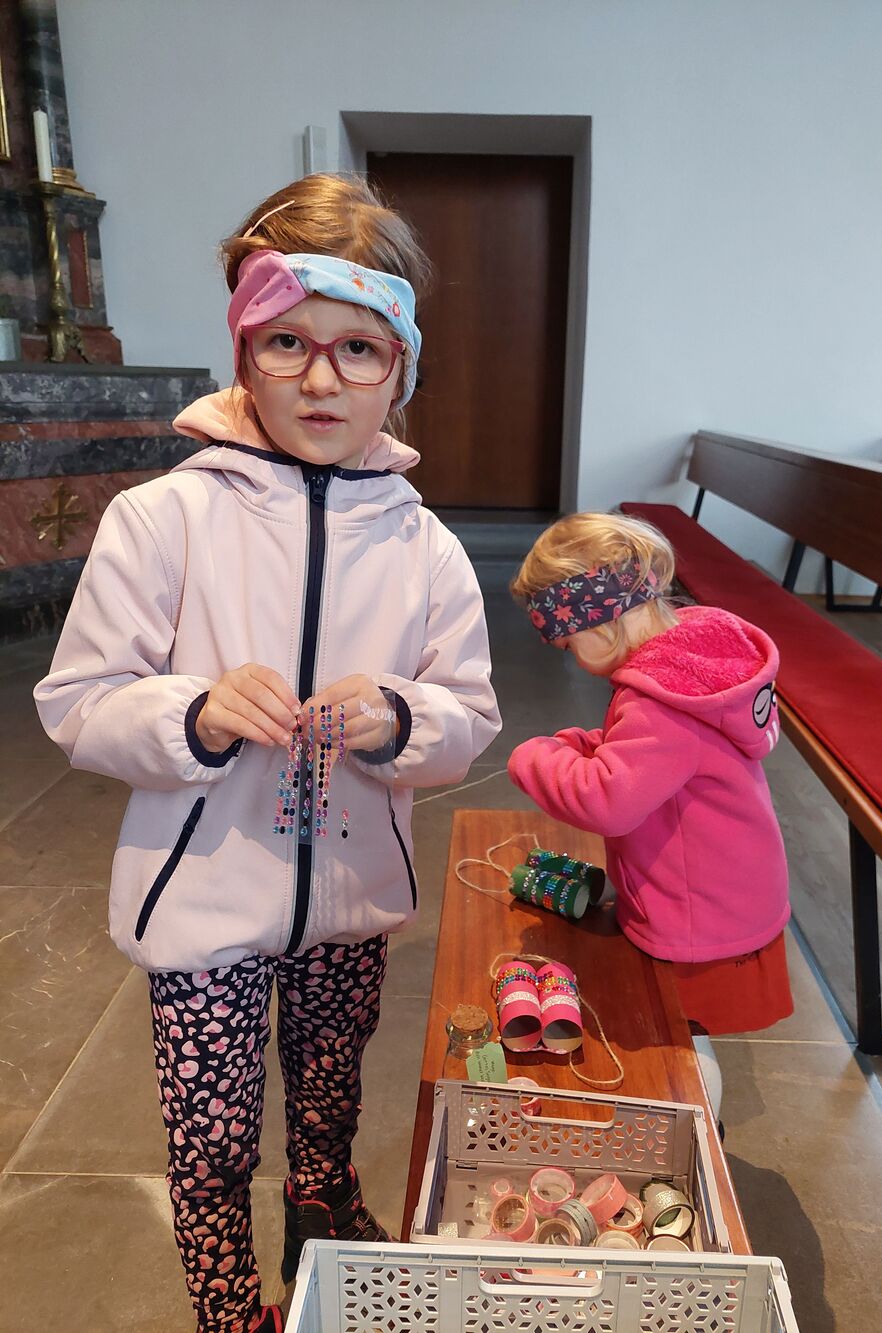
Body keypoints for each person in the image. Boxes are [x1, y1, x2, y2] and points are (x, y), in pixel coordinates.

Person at [34, 173, 501, 1333]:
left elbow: (469, 718)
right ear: (244, 349)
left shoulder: (426, 548)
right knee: (210, 1139)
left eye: (358, 349)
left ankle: (322, 1221)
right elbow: (78, 702)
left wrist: (401, 717)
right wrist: (192, 714)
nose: (321, 379)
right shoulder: (165, 519)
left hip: (352, 894)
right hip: (201, 906)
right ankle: (226, 1300)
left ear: (400, 369)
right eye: (287, 342)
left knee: (330, 1096)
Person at [506, 512, 792, 1111]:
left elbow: (607, 801)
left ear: (598, 619)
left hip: (698, 910)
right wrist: (591, 744)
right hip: (727, 888)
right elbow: (656, 759)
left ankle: (697, 1132)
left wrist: (534, 758)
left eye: (567, 645)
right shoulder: (692, 663)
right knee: (682, 1025)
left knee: (678, 1035)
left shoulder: (660, 701)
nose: (569, 658)